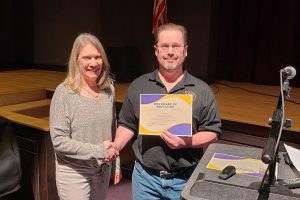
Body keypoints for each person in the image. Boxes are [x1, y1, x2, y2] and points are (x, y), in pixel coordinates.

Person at [111, 23, 222, 200]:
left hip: (185, 179)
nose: (170, 51)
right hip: (145, 179)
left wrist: (186, 142)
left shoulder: (202, 90)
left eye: (176, 46)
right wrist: (116, 145)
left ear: (185, 51)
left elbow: (213, 133)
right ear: (156, 50)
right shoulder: (138, 86)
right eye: (164, 46)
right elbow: (128, 124)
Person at [49, 33, 120, 200]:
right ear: (76, 59)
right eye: (87, 57)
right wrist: (100, 151)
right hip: (74, 172)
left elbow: (112, 129)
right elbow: (59, 141)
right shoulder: (64, 93)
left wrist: (116, 165)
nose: (93, 63)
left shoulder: (108, 89)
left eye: (98, 57)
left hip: (102, 169)